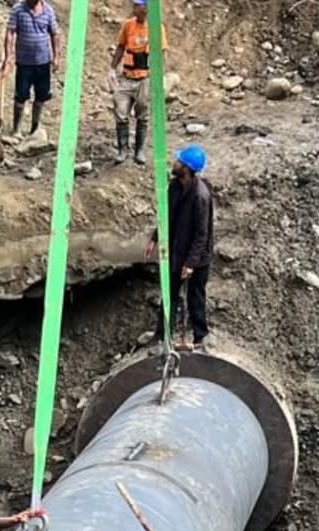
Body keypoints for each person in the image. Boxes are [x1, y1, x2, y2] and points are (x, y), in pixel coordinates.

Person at [148, 145, 214, 349]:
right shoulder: (175, 186)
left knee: (195, 296)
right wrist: (155, 237)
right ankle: (162, 335)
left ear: (187, 168)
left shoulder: (200, 196)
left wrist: (191, 264)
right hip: (177, 252)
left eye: (179, 162)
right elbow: (167, 215)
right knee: (169, 294)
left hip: (197, 257)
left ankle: (200, 337)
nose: (174, 163)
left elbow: (201, 235)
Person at [108, 0, 168, 166]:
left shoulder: (157, 27)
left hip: (145, 78)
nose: (135, 8)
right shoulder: (128, 25)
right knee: (120, 112)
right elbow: (121, 46)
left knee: (143, 114)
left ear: (146, 8)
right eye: (134, 5)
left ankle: (139, 150)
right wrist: (112, 68)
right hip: (127, 77)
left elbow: (161, 53)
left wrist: (159, 76)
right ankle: (123, 150)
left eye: (138, 5)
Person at [2, 0, 61, 137]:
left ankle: (35, 128)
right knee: (20, 96)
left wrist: (57, 56)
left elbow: (54, 34)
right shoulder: (18, 9)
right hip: (24, 63)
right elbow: (10, 32)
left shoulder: (48, 10)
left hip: (43, 62)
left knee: (41, 97)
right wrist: (8, 57)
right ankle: (16, 129)